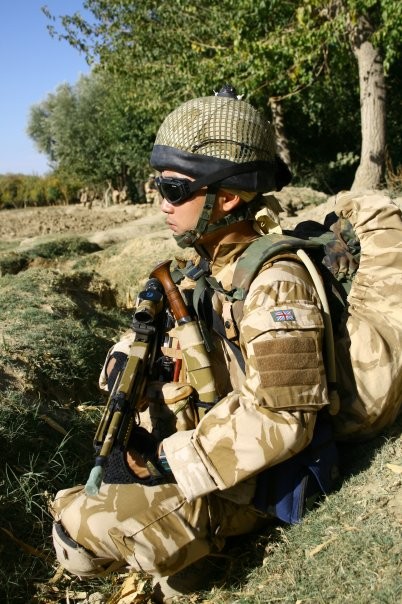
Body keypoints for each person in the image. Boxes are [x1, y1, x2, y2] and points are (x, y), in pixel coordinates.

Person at [51, 85, 402, 602]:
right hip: (218, 451)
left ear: (228, 197)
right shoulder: (212, 263)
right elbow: (167, 331)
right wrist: (124, 362)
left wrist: (166, 462)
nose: (161, 203)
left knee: (77, 538)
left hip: (268, 478)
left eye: (173, 189)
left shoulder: (275, 283)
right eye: (157, 184)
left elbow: (283, 420)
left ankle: (207, 544)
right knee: (86, 500)